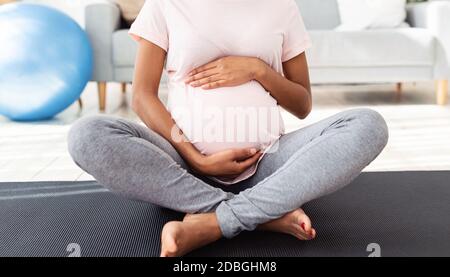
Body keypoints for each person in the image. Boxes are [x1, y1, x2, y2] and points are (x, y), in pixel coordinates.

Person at [68, 0, 389, 257]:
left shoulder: (282, 7)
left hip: (269, 163)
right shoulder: (165, 4)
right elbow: (141, 96)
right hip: (183, 168)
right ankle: (261, 215)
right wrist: (196, 157)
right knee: (87, 135)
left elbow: (302, 104)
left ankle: (212, 221)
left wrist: (257, 70)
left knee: (367, 125)